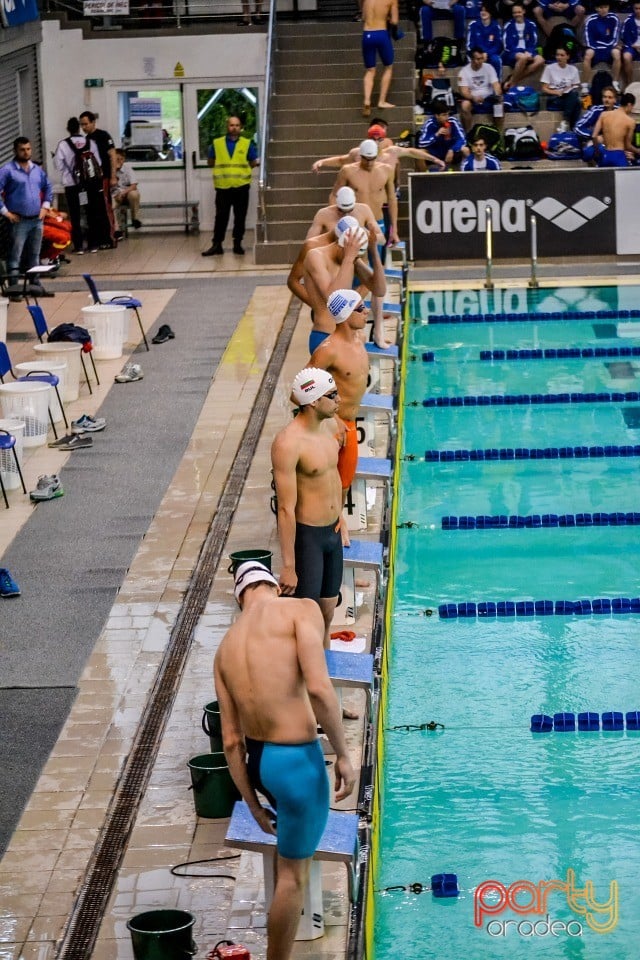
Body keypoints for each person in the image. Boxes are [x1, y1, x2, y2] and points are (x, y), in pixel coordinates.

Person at [214, 560, 355, 960]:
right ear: (274, 586)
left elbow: (229, 742)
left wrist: (253, 803)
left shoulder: (225, 648)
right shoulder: (300, 610)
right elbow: (319, 688)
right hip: (297, 764)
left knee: (286, 860)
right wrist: (343, 754)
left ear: (242, 597)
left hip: (260, 764)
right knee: (294, 876)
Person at [271, 368, 346, 645]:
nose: (339, 399)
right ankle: (305, 678)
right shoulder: (288, 443)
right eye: (332, 395)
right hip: (309, 537)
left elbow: (333, 477)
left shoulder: (330, 427)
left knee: (328, 611)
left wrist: (341, 517)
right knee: (306, 618)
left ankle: (324, 668)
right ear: (313, 401)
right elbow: (285, 509)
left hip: (332, 532)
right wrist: (289, 565)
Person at [308, 289, 371, 503]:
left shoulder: (360, 339)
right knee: (326, 488)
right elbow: (299, 392)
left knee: (344, 485)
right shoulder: (328, 350)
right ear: (345, 314)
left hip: (350, 426)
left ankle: (338, 528)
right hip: (332, 428)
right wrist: (333, 419)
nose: (367, 311)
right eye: (360, 308)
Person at [300, 219, 386, 350]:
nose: (356, 259)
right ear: (342, 245)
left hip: (349, 338)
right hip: (325, 337)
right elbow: (334, 300)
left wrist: (373, 251)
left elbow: (380, 290)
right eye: (354, 255)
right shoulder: (316, 257)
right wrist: (349, 258)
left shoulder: (352, 260)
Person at [0, 137, 54, 299]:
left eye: (29, 149)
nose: (26, 152)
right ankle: (15, 289)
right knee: (15, 256)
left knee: (34, 255)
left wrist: (45, 206)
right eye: (23, 149)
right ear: (15, 151)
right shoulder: (7, 170)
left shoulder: (36, 169)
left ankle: (35, 286)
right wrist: (6, 212)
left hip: (36, 220)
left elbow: (47, 187)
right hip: (19, 221)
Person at [202, 115, 259, 257]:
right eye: (231, 125)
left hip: (241, 187)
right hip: (223, 187)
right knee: (221, 217)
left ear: (241, 127)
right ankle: (217, 244)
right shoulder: (217, 143)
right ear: (227, 127)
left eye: (237, 125)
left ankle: (237, 243)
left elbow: (253, 162)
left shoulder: (247, 144)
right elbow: (210, 162)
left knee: (240, 216)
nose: (234, 128)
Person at [53, 117, 103, 255]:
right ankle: (93, 244)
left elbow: (58, 165)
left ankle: (79, 246)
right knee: (90, 213)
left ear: (68, 129)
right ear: (79, 128)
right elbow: (97, 162)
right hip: (89, 184)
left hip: (72, 185)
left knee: (75, 215)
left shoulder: (63, 144)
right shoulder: (90, 142)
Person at [312, 123, 447, 173]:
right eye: (373, 140)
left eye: (379, 140)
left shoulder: (392, 151)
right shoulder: (357, 153)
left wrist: (435, 159)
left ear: (384, 140)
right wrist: (322, 162)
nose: (376, 143)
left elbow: (412, 151)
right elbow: (341, 160)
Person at [79, 110, 118, 249]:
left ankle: (110, 237)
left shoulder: (103, 136)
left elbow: (112, 155)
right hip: (91, 181)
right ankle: (98, 238)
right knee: (94, 210)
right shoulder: (84, 140)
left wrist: (113, 176)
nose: (84, 127)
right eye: (81, 125)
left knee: (105, 207)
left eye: (86, 124)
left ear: (93, 122)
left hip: (104, 178)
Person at [361, 0, 400, 116]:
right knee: (388, 67)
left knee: (370, 70)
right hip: (381, 34)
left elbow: (363, 17)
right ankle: (381, 101)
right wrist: (386, 17)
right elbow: (395, 21)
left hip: (367, 34)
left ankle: (367, 100)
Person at [305, 186, 382, 240]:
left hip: (359, 259)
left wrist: (365, 233)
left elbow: (382, 239)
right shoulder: (323, 214)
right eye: (341, 211)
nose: (346, 214)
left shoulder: (364, 210)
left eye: (350, 210)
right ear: (337, 205)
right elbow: (309, 242)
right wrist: (331, 236)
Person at [458, 46, 504, 131]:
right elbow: (463, 92)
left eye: (481, 58)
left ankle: (498, 133)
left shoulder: (489, 67)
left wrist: (498, 94)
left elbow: (496, 84)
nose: (480, 61)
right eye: (478, 59)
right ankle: (468, 134)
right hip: (473, 99)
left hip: (488, 98)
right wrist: (473, 98)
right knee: (464, 106)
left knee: (499, 105)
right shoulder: (464, 71)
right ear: (472, 59)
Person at [501, 3, 545, 89]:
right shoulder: (508, 25)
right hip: (512, 53)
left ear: (524, 11)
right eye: (514, 13)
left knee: (541, 60)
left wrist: (530, 52)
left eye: (519, 12)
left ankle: (512, 80)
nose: (517, 14)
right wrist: (522, 51)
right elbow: (507, 45)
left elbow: (534, 42)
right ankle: (513, 85)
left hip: (528, 51)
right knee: (523, 58)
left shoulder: (531, 24)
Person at [592, 92, 640, 165]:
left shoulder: (604, 115)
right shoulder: (630, 121)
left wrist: (597, 151)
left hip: (606, 155)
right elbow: (627, 145)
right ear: (629, 105)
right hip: (619, 156)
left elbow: (594, 136)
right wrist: (638, 151)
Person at [541, 46, 582, 129]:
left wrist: (567, 89)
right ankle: (573, 127)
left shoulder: (573, 69)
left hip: (568, 96)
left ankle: (566, 122)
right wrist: (557, 92)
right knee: (576, 103)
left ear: (568, 56)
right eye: (557, 55)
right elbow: (544, 88)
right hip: (554, 97)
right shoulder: (549, 68)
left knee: (575, 99)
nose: (559, 57)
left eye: (562, 55)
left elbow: (576, 86)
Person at [575, 84, 617, 161]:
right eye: (604, 97)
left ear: (615, 100)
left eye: (610, 97)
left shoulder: (620, 111)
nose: (606, 100)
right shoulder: (596, 110)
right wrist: (594, 136)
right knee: (589, 152)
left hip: (616, 143)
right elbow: (578, 127)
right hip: (599, 143)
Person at [583, 1, 621, 86]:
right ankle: (585, 85)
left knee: (617, 53)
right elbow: (588, 39)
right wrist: (596, 47)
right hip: (595, 48)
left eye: (605, 7)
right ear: (596, 8)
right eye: (601, 7)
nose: (603, 10)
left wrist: (608, 46)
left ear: (608, 7)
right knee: (588, 54)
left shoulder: (614, 18)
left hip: (608, 47)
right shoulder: (590, 20)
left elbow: (615, 37)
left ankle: (615, 82)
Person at [467, 3, 504, 78]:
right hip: (476, 54)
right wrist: (479, 54)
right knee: (474, 60)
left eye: (486, 11)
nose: (483, 12)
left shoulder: (496, 27)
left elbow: (498, 46)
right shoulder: (473, 25)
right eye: (482, 10)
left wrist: (487, 53)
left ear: (491, 13)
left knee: (496, 60)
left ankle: (496, 86)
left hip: (490, 54)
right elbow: (469, 45)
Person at [112, 148, 142, 238]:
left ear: (124, 159)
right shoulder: (110, 170)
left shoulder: (128, 169)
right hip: (114, 195)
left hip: (126, 194)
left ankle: (135, 219)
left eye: (121, 159)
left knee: (134, 194)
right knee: (110, 205)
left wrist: (123, 192)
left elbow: (134, 185)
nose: (119, 161)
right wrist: (113, 172)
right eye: (116, 159)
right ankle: (116, 229)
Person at [622, 1, 640, 89]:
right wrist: (634, 46)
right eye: (636, 8)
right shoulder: (629, 21)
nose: (638, 11)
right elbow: (625, 38)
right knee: (626, 56)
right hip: (632, 47)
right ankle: (629, 83)